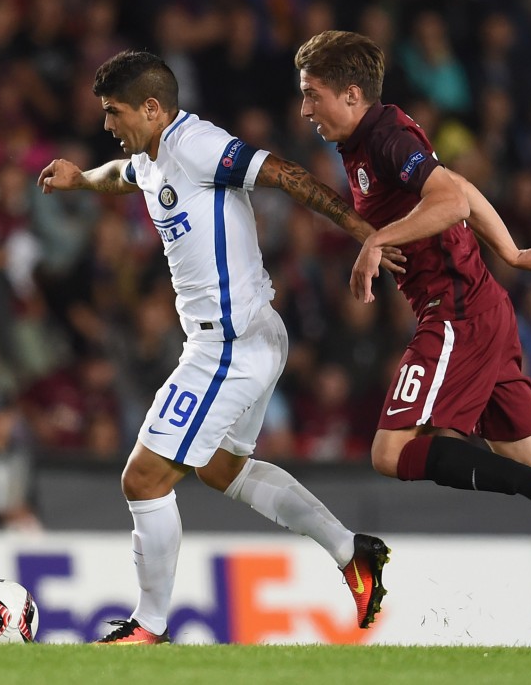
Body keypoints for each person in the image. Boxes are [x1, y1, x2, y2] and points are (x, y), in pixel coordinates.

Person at [294, 30, 531, 648]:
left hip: (455, 313)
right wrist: (512, 252)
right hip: (483, 308)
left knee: (392, 453)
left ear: (351, 93)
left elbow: (449, 200)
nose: (305, 110)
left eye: (312, 96)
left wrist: (376, 240)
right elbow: (462, 189)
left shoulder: (386, 136)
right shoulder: (373, 138)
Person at [37, 51, 398, 645]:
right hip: (250, 336)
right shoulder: (149, 158)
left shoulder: (197, 145)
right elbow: (121, 176)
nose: (107, 125)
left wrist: (367, 233)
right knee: (220, 469)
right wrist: (82, 178)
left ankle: (148, 629)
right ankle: (350, 552)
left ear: (152, 109)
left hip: (228, 346)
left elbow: (285, 174)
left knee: (143, 479)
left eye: (114, 112)